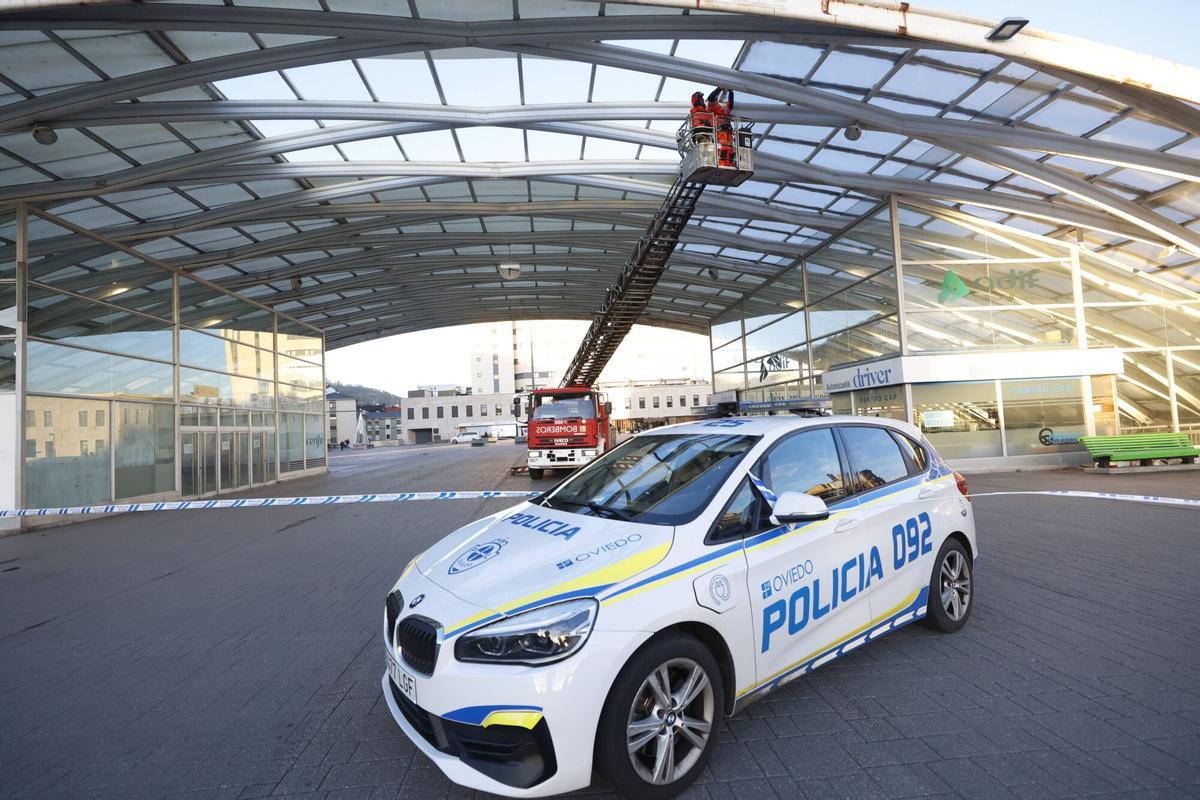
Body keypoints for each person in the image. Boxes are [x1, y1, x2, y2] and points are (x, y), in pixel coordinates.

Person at [707, 87, 736, 168]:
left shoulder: (721, 109)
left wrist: (731, 92)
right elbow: (710, 98)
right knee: (722, 148)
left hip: (727, 132)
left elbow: (730, 106)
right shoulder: (711, 107)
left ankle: (729, 164)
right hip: (720, 132)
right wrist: (719, 88)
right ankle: (722, 164)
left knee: (729, 149)